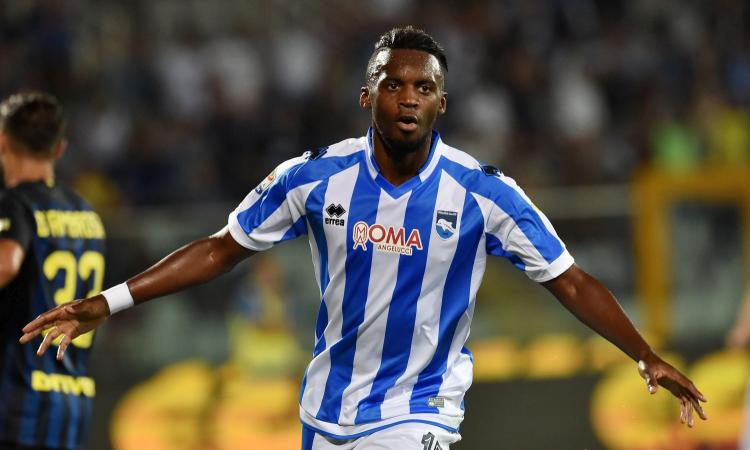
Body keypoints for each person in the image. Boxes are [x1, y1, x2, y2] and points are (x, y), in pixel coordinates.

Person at [19, 27, 706, 449]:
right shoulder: (315, 178)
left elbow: (570, 280)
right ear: (366, 95)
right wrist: (106, 302)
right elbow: (221, 248)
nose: (408, 97)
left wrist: (644, 355)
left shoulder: (483, 193)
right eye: (393, 84)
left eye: (423, 88)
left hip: (419, 409)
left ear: (442, 103)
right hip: (326, 408)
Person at [0, 92, 106, 450]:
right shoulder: (88, 215)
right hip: (72, 405)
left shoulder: (14, 204)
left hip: (16, 402)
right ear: (59, 149)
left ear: (2, 141)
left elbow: (5, 264)